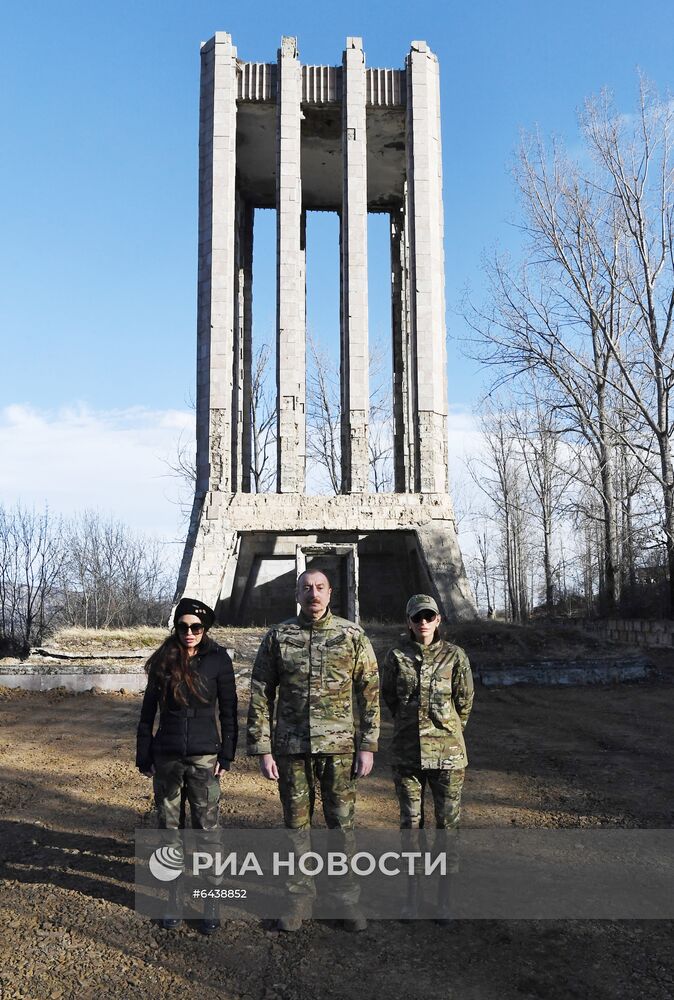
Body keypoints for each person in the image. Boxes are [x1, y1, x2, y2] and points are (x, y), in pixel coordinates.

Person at [247, 568, 380, 932]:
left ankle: (345, 900)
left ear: (330, 593)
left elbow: (369, 693)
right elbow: (261, 692)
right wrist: (262, 748)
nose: (313, 594)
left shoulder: (351, 635)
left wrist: (367, 745)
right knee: (296, 827)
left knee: (342, 826)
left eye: (319, 588)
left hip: (339, 749)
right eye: (306, 588)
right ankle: (298, 899)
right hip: (291, 749)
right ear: (297, 593)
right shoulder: (278, 636)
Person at [136, 597, 238, 934]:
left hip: (204, 755)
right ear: (176, 627)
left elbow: (229, 711)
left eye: (196, 627)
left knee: (207, 831)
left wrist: (227, 754)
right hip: (166, 755)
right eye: (183, 627)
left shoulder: (219, 660)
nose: (189, 632)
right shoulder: (164, 659)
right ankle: (174, 896)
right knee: (169, 831)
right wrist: (144, 752)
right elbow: (148, 712)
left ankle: (211, 898)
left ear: (205, 628)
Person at [381, 594, 474, 922]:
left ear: (438, 620)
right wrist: (411, 725)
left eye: (428, 616)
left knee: (447, 827)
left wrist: (446, 731)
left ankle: (444, 899)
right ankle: (412, 897)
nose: (423, 622)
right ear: (408, 621)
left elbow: (464, 702)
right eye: (417, 617)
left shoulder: (455, 656)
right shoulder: (396, 656)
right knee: (410, 826)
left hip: (448, 756)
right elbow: (389, 696)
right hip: (407, 755)